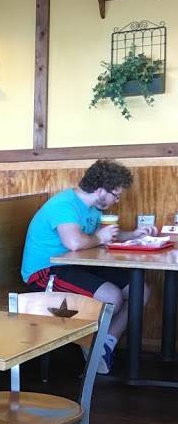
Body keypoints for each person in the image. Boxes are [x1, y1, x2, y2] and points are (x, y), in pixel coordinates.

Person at [21, 158, 157, 373]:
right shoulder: (64, 205)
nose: (117, 200)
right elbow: (75, 242)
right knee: (112, 297)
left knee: (140, 291)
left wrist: (132, 235)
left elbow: (98, 237)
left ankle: (104, 345)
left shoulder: (93, 208)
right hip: (45, 273)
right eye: (116, 195)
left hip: (75, 265)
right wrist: (100, 237)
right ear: (101, 190)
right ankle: (91, 347)